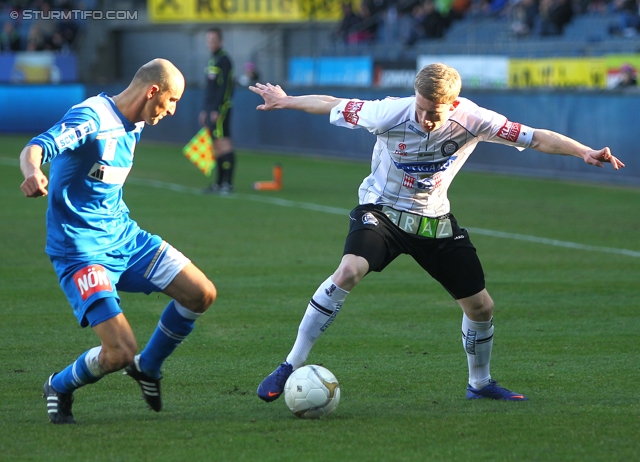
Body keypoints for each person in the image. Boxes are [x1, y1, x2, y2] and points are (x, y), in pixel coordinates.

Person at [249, 63, 625, 403]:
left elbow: (536, 137)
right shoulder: (387, 112)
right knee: (349, 270)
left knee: (481, 307)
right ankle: (289, 364)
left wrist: (584, 152)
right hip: (382, 210)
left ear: (454, 103)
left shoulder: (475, 119)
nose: (426, 118)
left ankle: (479, 384)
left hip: (433, 220)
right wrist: (286, 100)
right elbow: (333, 102)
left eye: (435, 112)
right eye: (422, 108)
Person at [20, 58, 217, 424]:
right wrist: (33, 172)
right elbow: (36, 147)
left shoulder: (138, 120)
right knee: (119, 352)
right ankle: (59, 385)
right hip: (81, 250)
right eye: (171, 101)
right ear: (152, 92)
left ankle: (149, 367)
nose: (172, 111)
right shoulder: (90, 120)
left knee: (201, 293)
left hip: (125, 237)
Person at [200, 27, 236, 195]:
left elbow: (227, 88)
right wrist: (205, 110)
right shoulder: (212, 60)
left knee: (224, 144)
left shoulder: (224, 60)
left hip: (221, 110)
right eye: (209, 40)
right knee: (216, 145)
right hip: (211, 109)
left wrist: (218, 109)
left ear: (220, 41)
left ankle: (227, 184)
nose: (211, 43)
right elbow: (210, 88)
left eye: (214, 40)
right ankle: (218, 183)